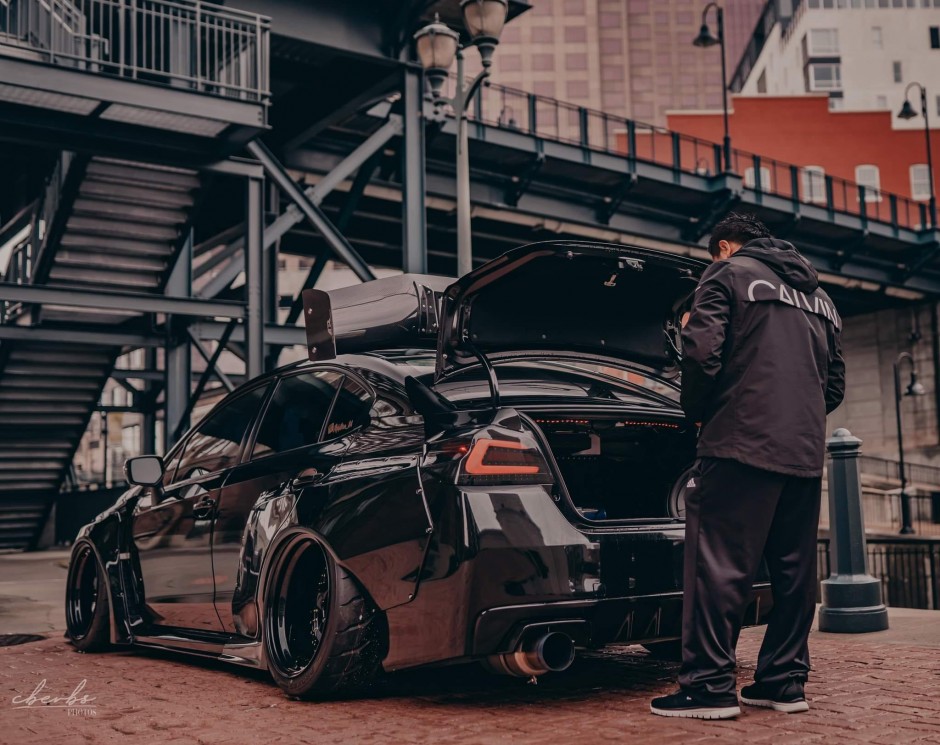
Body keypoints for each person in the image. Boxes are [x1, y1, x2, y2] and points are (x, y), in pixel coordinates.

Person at [650, 213, 845, 720]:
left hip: (738, 442)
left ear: (724, 246)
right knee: (794, 572)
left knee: (717, 567)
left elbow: (701, 355)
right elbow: (834, 386)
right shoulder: (821, 299)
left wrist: (698, 415)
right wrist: (790, 418)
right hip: (802, 452)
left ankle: (709, 688)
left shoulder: (726, 273)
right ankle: (783, 683)